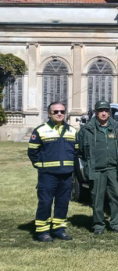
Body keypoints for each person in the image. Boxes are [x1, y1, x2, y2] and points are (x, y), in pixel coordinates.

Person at [28, 101, 78, 242]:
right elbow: (32, 152)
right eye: (55, 111)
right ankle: (43, 231)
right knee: (45, 202)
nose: (59, 114)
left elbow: (76, 151)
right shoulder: (40, 130)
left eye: (62, 111)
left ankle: (59, 230)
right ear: (49, 114)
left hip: (66, 175)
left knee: (63, 203)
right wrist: (41, 166)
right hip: (48, 175)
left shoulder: (72, 131)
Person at [78, 100, 118, 235]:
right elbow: (81, 150)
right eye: (101, 111)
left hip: (114, 169)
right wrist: (88, 166)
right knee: (97, 199)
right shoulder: (87, 129)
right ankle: (98, 225)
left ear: (109, 112)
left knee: (117, 197)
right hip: (96, 170)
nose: (104, 113)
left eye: (106, 111)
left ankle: (116, 224)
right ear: (96, 112)